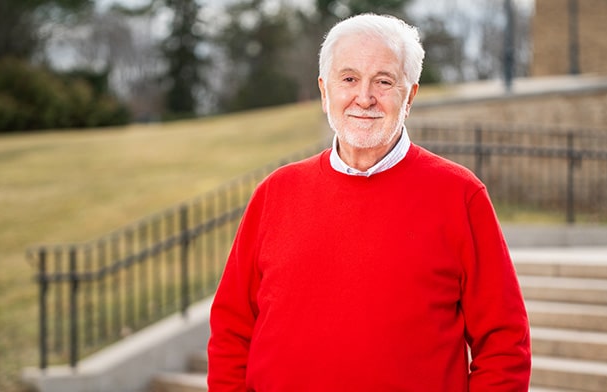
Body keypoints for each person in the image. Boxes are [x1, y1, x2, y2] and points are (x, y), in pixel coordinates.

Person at [207, 13, 531, 392]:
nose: (364, 97)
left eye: (384, 81)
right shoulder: (275, 193)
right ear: (325, 91)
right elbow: (231, 331)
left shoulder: (461, 196)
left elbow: (505, 345)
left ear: (408, 96)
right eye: (349, 79)